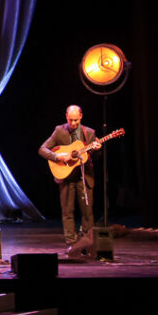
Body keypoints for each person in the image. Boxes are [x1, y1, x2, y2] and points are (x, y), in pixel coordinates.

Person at [38, 105, 102, 246]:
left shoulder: (90, 133)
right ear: (66, 117)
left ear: (81, 117)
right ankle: (71, 243)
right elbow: (42, 149)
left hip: (84, 176)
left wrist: (97, 150)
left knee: (87, 212)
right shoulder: (59, 131)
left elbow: (96, 158)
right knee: (67, 212)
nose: (73, 123)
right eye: (70, 120)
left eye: (76, 120)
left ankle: (87, 241)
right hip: (66, 176)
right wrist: (57, 156)